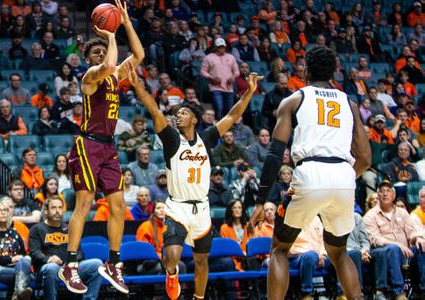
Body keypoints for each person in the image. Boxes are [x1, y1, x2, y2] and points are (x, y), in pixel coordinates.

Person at [128, 60, 261, 299]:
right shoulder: (171, 138)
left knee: (202, 261)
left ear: (194, 120)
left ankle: (199, 298)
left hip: (201, 207)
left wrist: (249, 91)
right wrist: (137, 85)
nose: (178, 116)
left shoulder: (207, 137)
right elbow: (154, 110)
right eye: (177, 114)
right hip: (177, 206)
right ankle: (171, 274)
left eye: (183, 113)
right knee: (172, 256)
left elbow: (232, 115)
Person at [251, 46, 371, 300]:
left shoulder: (294, 99)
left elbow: (274, 154)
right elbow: (365, 158)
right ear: (334, 72)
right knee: (339, 252)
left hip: (309, 172)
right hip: (343, 175)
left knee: (280, 250)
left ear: (305, 70)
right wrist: (343, 179)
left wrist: (261, 200)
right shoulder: (349, 103)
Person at [60, 0, 145, 293]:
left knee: (118, 206)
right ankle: (69, 266)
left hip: (109, 148)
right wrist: (110, 35)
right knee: (84, 203)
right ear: (87, 59)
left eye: (102, 49)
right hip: (87, 145)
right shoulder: (90, 78)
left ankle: (113, 264)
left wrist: (126, 22)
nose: (100, 54)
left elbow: (139, 54)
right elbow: (109, 64)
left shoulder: (114, 77)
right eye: (94, 52)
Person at [29, 197, 103, 300]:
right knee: (51, 268)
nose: (57, 211)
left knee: (97, 264)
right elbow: (34, 253)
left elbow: (80, 253)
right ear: (46, 211)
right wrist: (48, 259)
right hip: (48, 269)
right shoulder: (36, 229)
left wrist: (70, 262)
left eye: (60, 208)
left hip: (70, 269)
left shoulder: (70, 228)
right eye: (53, 208)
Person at [364, 180, 425, 300]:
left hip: (404, 252)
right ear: (378, 195)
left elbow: (411, 231)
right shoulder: (370, 216)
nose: (385, 194)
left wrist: (418, 238)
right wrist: (396, 244)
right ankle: (399, 292)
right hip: (381, 253)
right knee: (393, 248)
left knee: (421, 246)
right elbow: (374, 239)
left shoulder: (402, 212)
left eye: (388, 191)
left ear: (394, 195)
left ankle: (422, 290)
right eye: (381, 191)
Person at [200, 38, 239, 119]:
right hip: (215, 87)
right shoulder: (208, 57)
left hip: (229, 88)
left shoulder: (231, 57)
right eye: (220, 47)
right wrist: (211, 78)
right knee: (219, 108)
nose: (222, 48)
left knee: (229, 110)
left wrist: (232, 78)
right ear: (215, 47)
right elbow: (203, 71)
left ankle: (228, 128)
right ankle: (218, 126)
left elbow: (236, 72)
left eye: (223, 47)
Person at [220, 199, 254, 271]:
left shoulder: (248, 226)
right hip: (233, 260)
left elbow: (252, 245)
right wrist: (240, 254)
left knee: (253, 260)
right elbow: (226, 249)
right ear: (230, 210)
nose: (237, 210)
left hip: (247, 259)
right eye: (234, 208)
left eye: (239, 207)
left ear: (242, 210)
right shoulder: (224, 228)